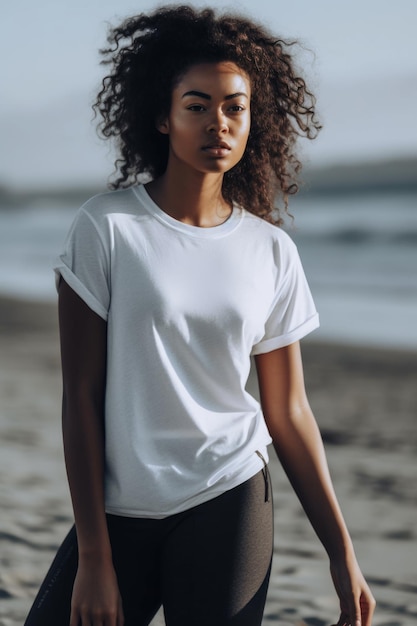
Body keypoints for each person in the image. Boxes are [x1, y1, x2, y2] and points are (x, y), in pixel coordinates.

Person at [24, 5, 375, 626]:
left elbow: (288, 411)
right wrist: (95, 558)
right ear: (162, 117)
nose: (219, 123)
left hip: (230, 497)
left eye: (234, 106)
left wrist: (341, 553)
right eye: (197, 105)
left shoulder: (270, 251)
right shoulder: (107, 228)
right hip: (119, 511)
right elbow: (80, 395)